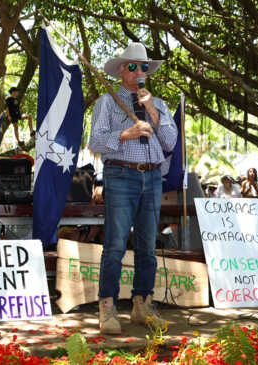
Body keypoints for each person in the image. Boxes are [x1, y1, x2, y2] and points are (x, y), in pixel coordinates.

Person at [88, 42, 177, 334]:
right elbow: (95, 142)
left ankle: (142, 304)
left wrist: (151, 108)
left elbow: (171, 142)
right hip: (121, 175)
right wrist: (127, 133)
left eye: (143, 67)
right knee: (114, 244)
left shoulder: (160, 104)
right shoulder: (107, 101)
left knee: (147, 246)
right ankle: (108, 305)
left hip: (152, 178)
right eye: (133, 66)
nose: (139, 71)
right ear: (121, 71)